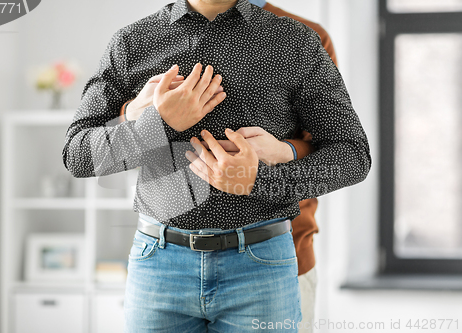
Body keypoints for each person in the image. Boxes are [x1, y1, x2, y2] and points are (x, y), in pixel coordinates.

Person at [62, 0, 371, 332]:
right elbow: (77, 156)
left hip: (260, 268)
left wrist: (258, 180)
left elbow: (353, 155)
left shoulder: (294, 41)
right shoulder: (132, 42)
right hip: (159, 267)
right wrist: (160, 123)